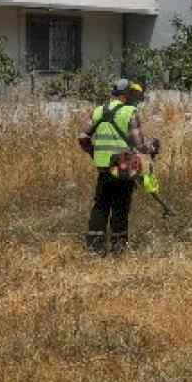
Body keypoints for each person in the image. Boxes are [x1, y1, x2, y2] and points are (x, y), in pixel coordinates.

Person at [78, 79, 156, 255]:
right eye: (132, 94)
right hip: (123, 167)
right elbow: (140, 145)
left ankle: (94, 248)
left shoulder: (98, 111)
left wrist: (94, 153)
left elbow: (82, 138)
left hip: (104, 168)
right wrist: (154, 146)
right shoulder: (130, 112)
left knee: (101, 205)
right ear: (125, 95)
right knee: (120, 206)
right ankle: (118, 248)